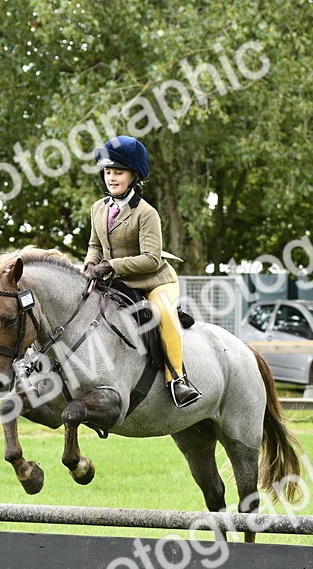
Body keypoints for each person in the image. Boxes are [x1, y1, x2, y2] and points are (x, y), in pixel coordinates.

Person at [82, 135, 201, 409]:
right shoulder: (98, 209)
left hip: (155, 281)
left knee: (163, 314)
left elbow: (150, 258)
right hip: (119, 282)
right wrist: (90, 263)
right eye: (108, 172)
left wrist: (111, 266)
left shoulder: (147, 213)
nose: (111, 178)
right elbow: (94, 245)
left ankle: (177, 380)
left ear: (134, 176)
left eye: (118, 172)